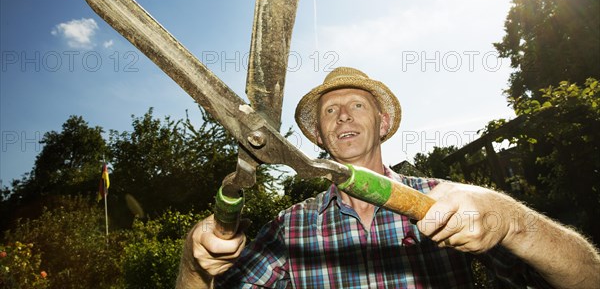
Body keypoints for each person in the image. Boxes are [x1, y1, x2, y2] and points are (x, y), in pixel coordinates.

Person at [177, 67, 600, 288]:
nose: (342, 114)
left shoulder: (446, 204)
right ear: (320, 134)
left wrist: (511, 220)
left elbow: (588, 278)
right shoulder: (289, 230)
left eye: (356, 105)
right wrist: (195, 266)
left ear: (381, 124)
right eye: (329, 111)